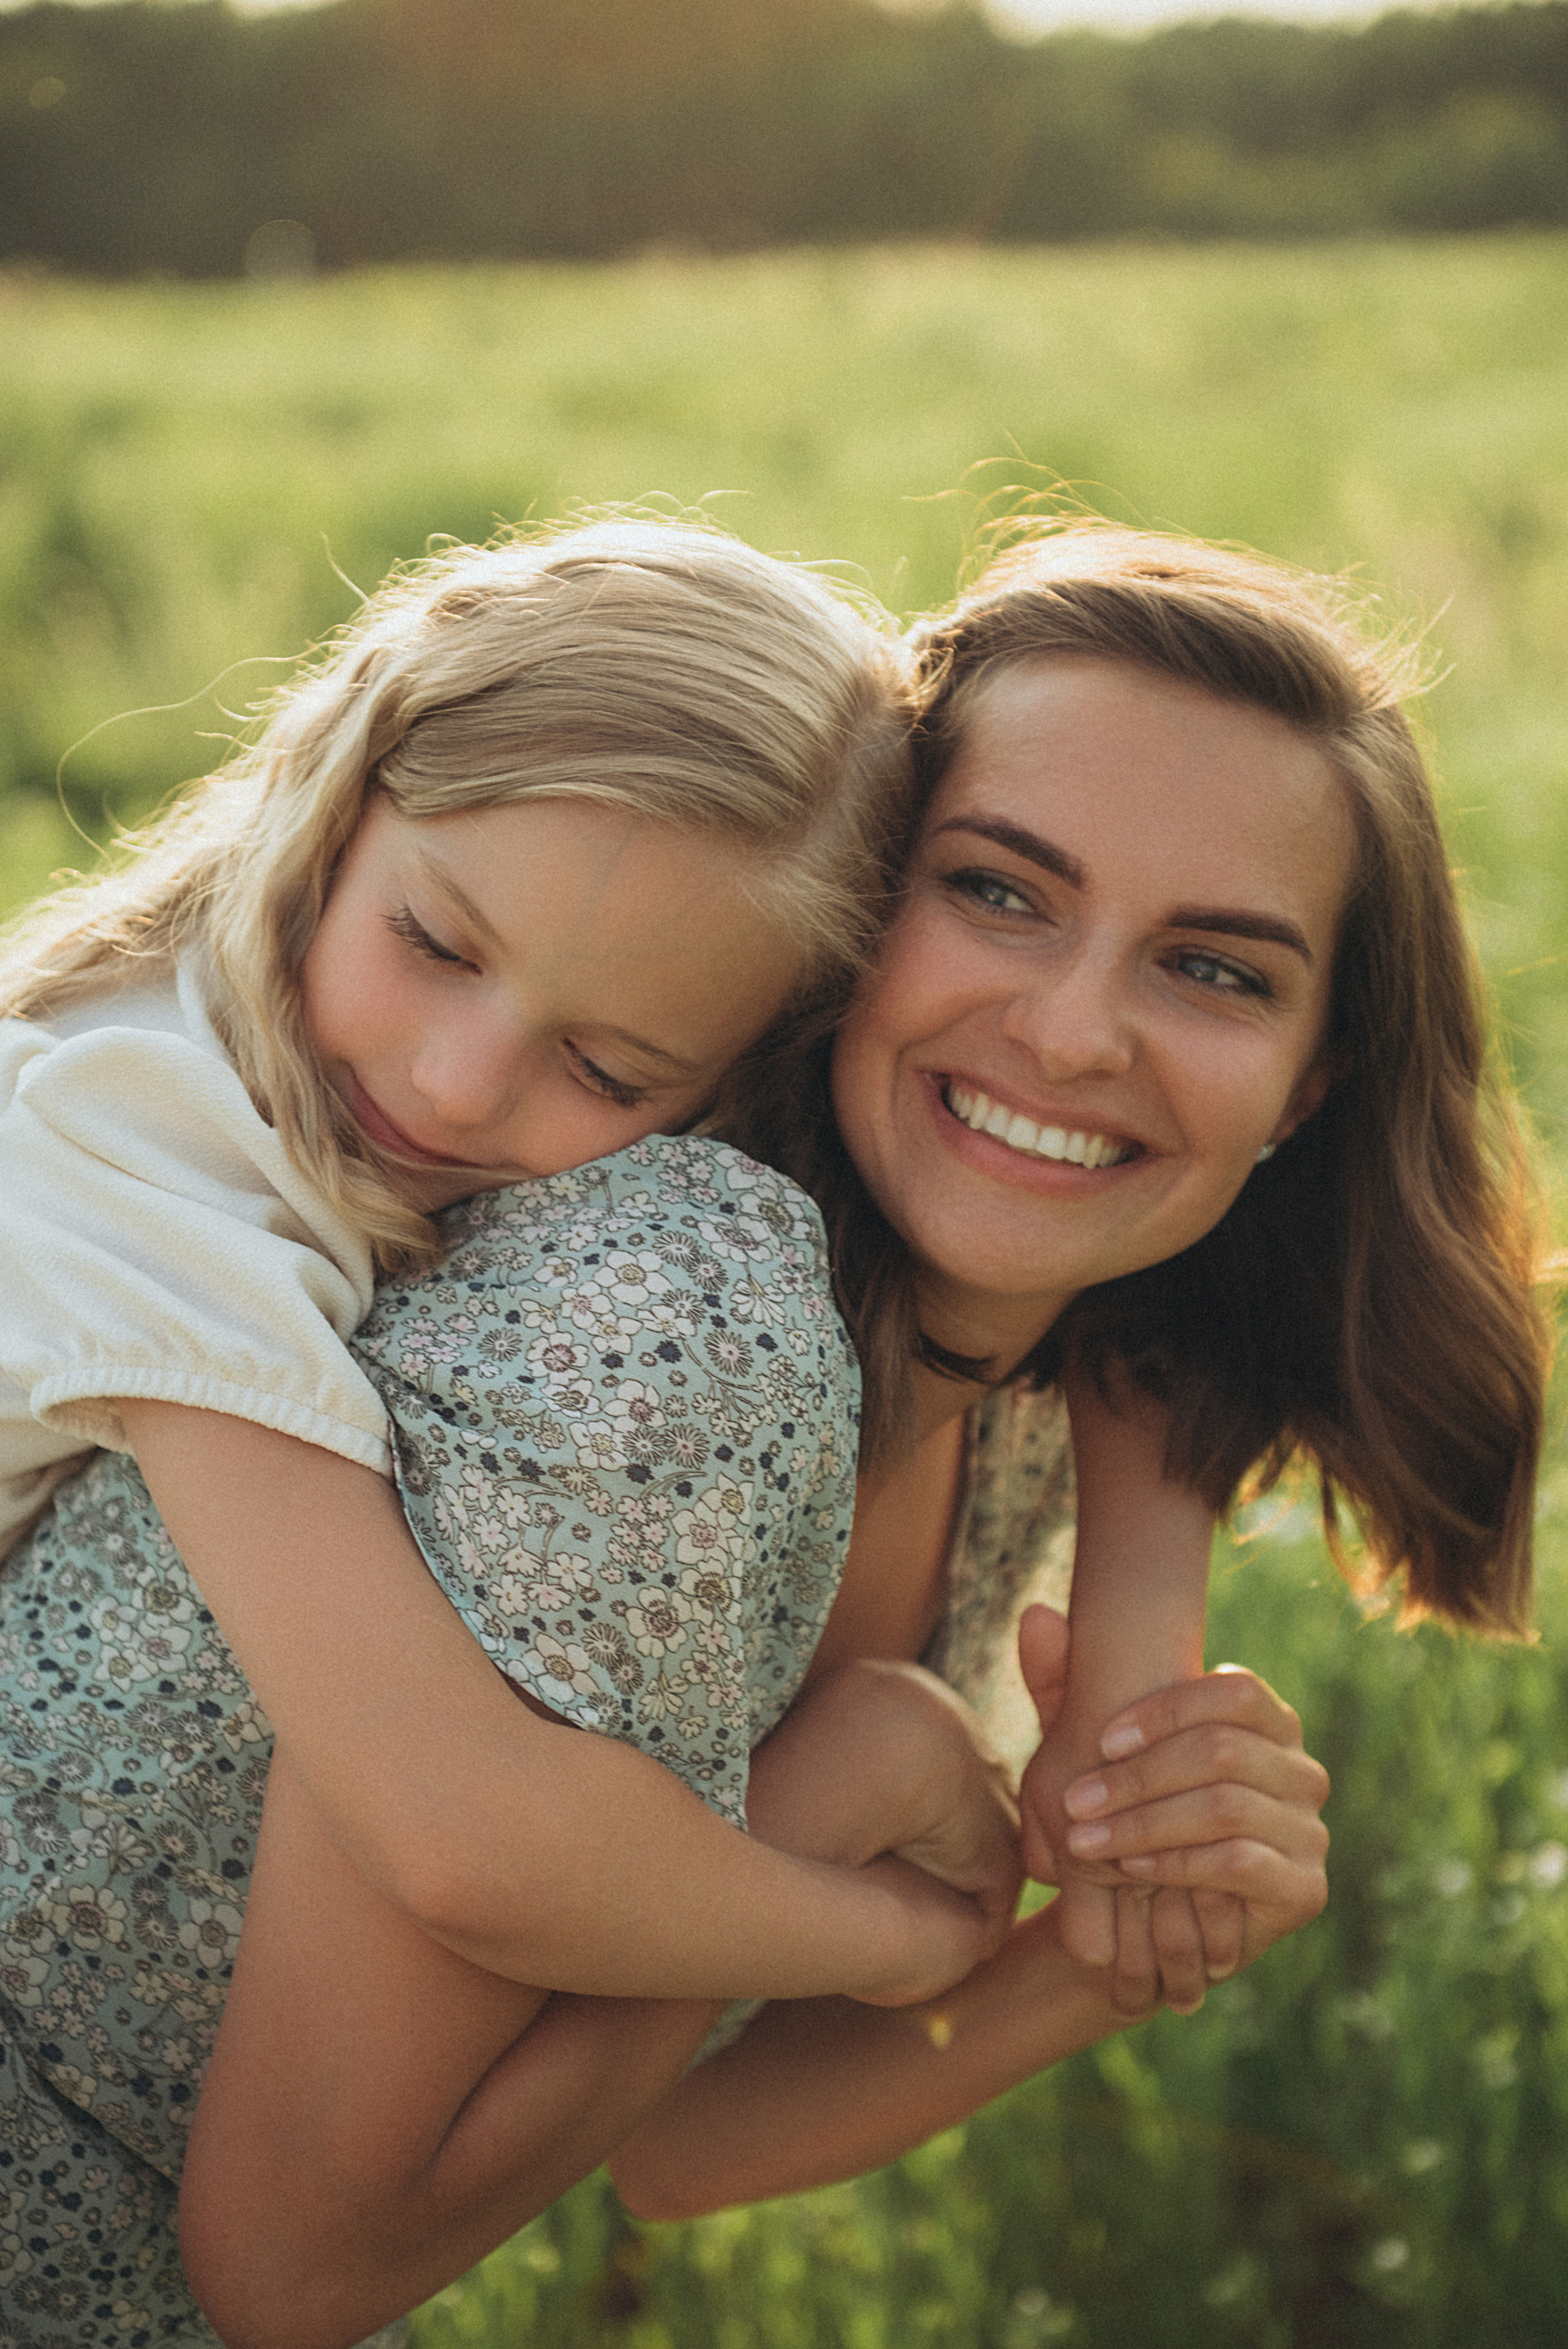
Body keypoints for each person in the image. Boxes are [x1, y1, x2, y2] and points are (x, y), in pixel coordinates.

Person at [173, 526, 1542, 2341]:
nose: (1069, 1031)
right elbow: (295, 2262)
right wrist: (869, 1786)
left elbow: (651, 2133)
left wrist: (1102, 1957)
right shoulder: (667, 1335)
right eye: (998, 889)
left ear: (1314, 1083)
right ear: (848, 899)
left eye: (1214, 970)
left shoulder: (1049, 1403)